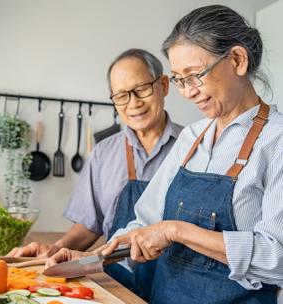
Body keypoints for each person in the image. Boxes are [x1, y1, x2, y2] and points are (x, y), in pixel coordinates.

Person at [47, 5, 283, 303]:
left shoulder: (276, 140)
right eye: (180, 80)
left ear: (237, 60)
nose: (188, 92)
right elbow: (144, 224)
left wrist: (176, 230)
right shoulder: (191, 138)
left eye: (195, 75)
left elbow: (278, 258)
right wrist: (89, 257)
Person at [7, 49, 183, 291]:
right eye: (121, 96)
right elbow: (91, 224)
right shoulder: (103, 153)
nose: (134, 103)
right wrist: (56, 249)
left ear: (163, 85)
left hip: (175, 284)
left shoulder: (194, 148)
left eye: (141, 89)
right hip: (114, 281)